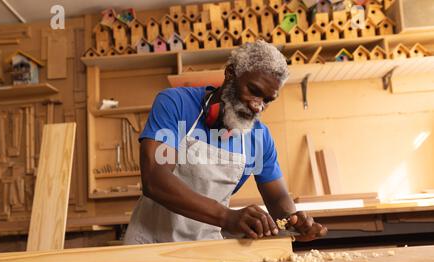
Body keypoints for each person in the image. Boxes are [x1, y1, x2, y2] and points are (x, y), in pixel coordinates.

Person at [124, 40, 328, 244]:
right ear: (230, 73)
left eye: (267, 100)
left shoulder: (259, 138)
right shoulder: (176, 103)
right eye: (254, 91)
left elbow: (277, 199)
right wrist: (227, 216)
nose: (258, 107)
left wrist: (293, 221)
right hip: (149, 243)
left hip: (207, 246)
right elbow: (154, 178)